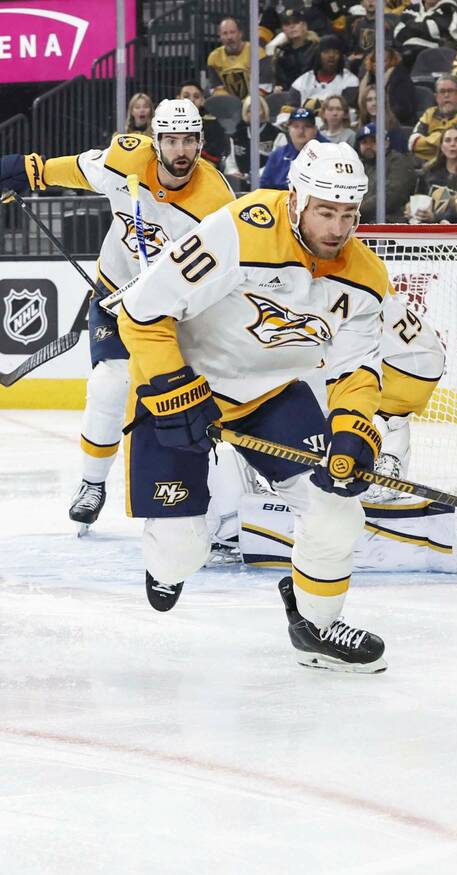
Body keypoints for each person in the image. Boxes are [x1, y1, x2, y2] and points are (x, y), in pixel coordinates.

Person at [114, 142, 390, 672]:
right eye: (325, 212)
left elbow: (356, 368)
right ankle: (167, 564)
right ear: (297, 200)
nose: (337, 229)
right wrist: (172, 389)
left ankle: (316, 624)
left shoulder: (366, 278)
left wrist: (354, 430)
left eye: (348, 215)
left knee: (335, 509)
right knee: (183, 549)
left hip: (270, 395)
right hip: (179, 390)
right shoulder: (240, 230)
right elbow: (142, 311)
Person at [0, 101, 235, 530]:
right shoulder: (124, 160)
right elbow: (71, 169)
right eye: (171, 140)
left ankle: (219, 499)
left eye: (189, 140)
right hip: (116, 291)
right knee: (110, 382)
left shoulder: (216, 203)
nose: (180, 150)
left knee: (198, 399)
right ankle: (92, 483)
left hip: (174, 309)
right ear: (156, 140)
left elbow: (223, 275)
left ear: (201, 143)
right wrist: (24, 169)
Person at [408, 75, 457, 165]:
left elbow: (455, 148)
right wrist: (441, 140)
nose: (446, 95)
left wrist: (431, 141)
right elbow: (414, 144)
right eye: (442, 92)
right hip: (434, 172)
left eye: (450, 91)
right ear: (436, 97)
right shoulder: (429, 114)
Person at [409, 126, 457, 222]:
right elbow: (419, 198)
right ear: (441, 146)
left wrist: (435, 218)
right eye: (448, 140)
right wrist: (410, 207)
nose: (452, 144)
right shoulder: (429, 172)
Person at [261, 107, 326, 189]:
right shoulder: (277, 155)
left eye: (307, 126)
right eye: (296, 126)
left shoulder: (327, 153)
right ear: (289, 129)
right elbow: (263, 186)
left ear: (315, 129)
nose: (301, 131)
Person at [206, 18, 269, 100]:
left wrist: (247, 103)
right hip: (228, 107)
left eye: (232, 32)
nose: (229, 37)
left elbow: (264, 86)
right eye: (225, 33)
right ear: (220, 36)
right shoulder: (214, 58)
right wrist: (231, 104)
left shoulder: (258, 53)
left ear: (240, 33)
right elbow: (216, 88)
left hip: (255, 104)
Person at [358, 123, 411, 221]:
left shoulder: (398, 162)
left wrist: (355, 210)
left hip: (391, 221)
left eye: (374, 141)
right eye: (364, 142)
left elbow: (392, 197)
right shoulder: (359, 165)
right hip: (360, 219)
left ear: (386, 143)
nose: (368, 146)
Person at [291, 35, 360, 105]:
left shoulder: (350, 81)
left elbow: (349, 111)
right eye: (326, 52)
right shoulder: (302, 82)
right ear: (318, 55)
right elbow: (287, 111)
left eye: (336, 52)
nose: (331, 55)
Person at [179, 82, 231, 169]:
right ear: (177, 99)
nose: (191, 100)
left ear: (202, 101)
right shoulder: (165, 124)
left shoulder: (213, 125)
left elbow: (215, 155)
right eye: (186, 96)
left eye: (196, 97)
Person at [393, 0, 457, 68]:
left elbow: (434, 29)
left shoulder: (448, 8)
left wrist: (409, 27)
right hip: (405, 54)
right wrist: (423, 25)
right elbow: (397, 32)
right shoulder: (411, 9)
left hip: (432, 57)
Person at [272, 8, 320, 92]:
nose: (292, 26)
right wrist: (278, 87)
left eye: (296, 22)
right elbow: (279, 79)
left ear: (304, 26)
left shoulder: (316, 48)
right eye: (287, 24)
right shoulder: (281, 51)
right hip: (288, 95)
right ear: (283, 29)